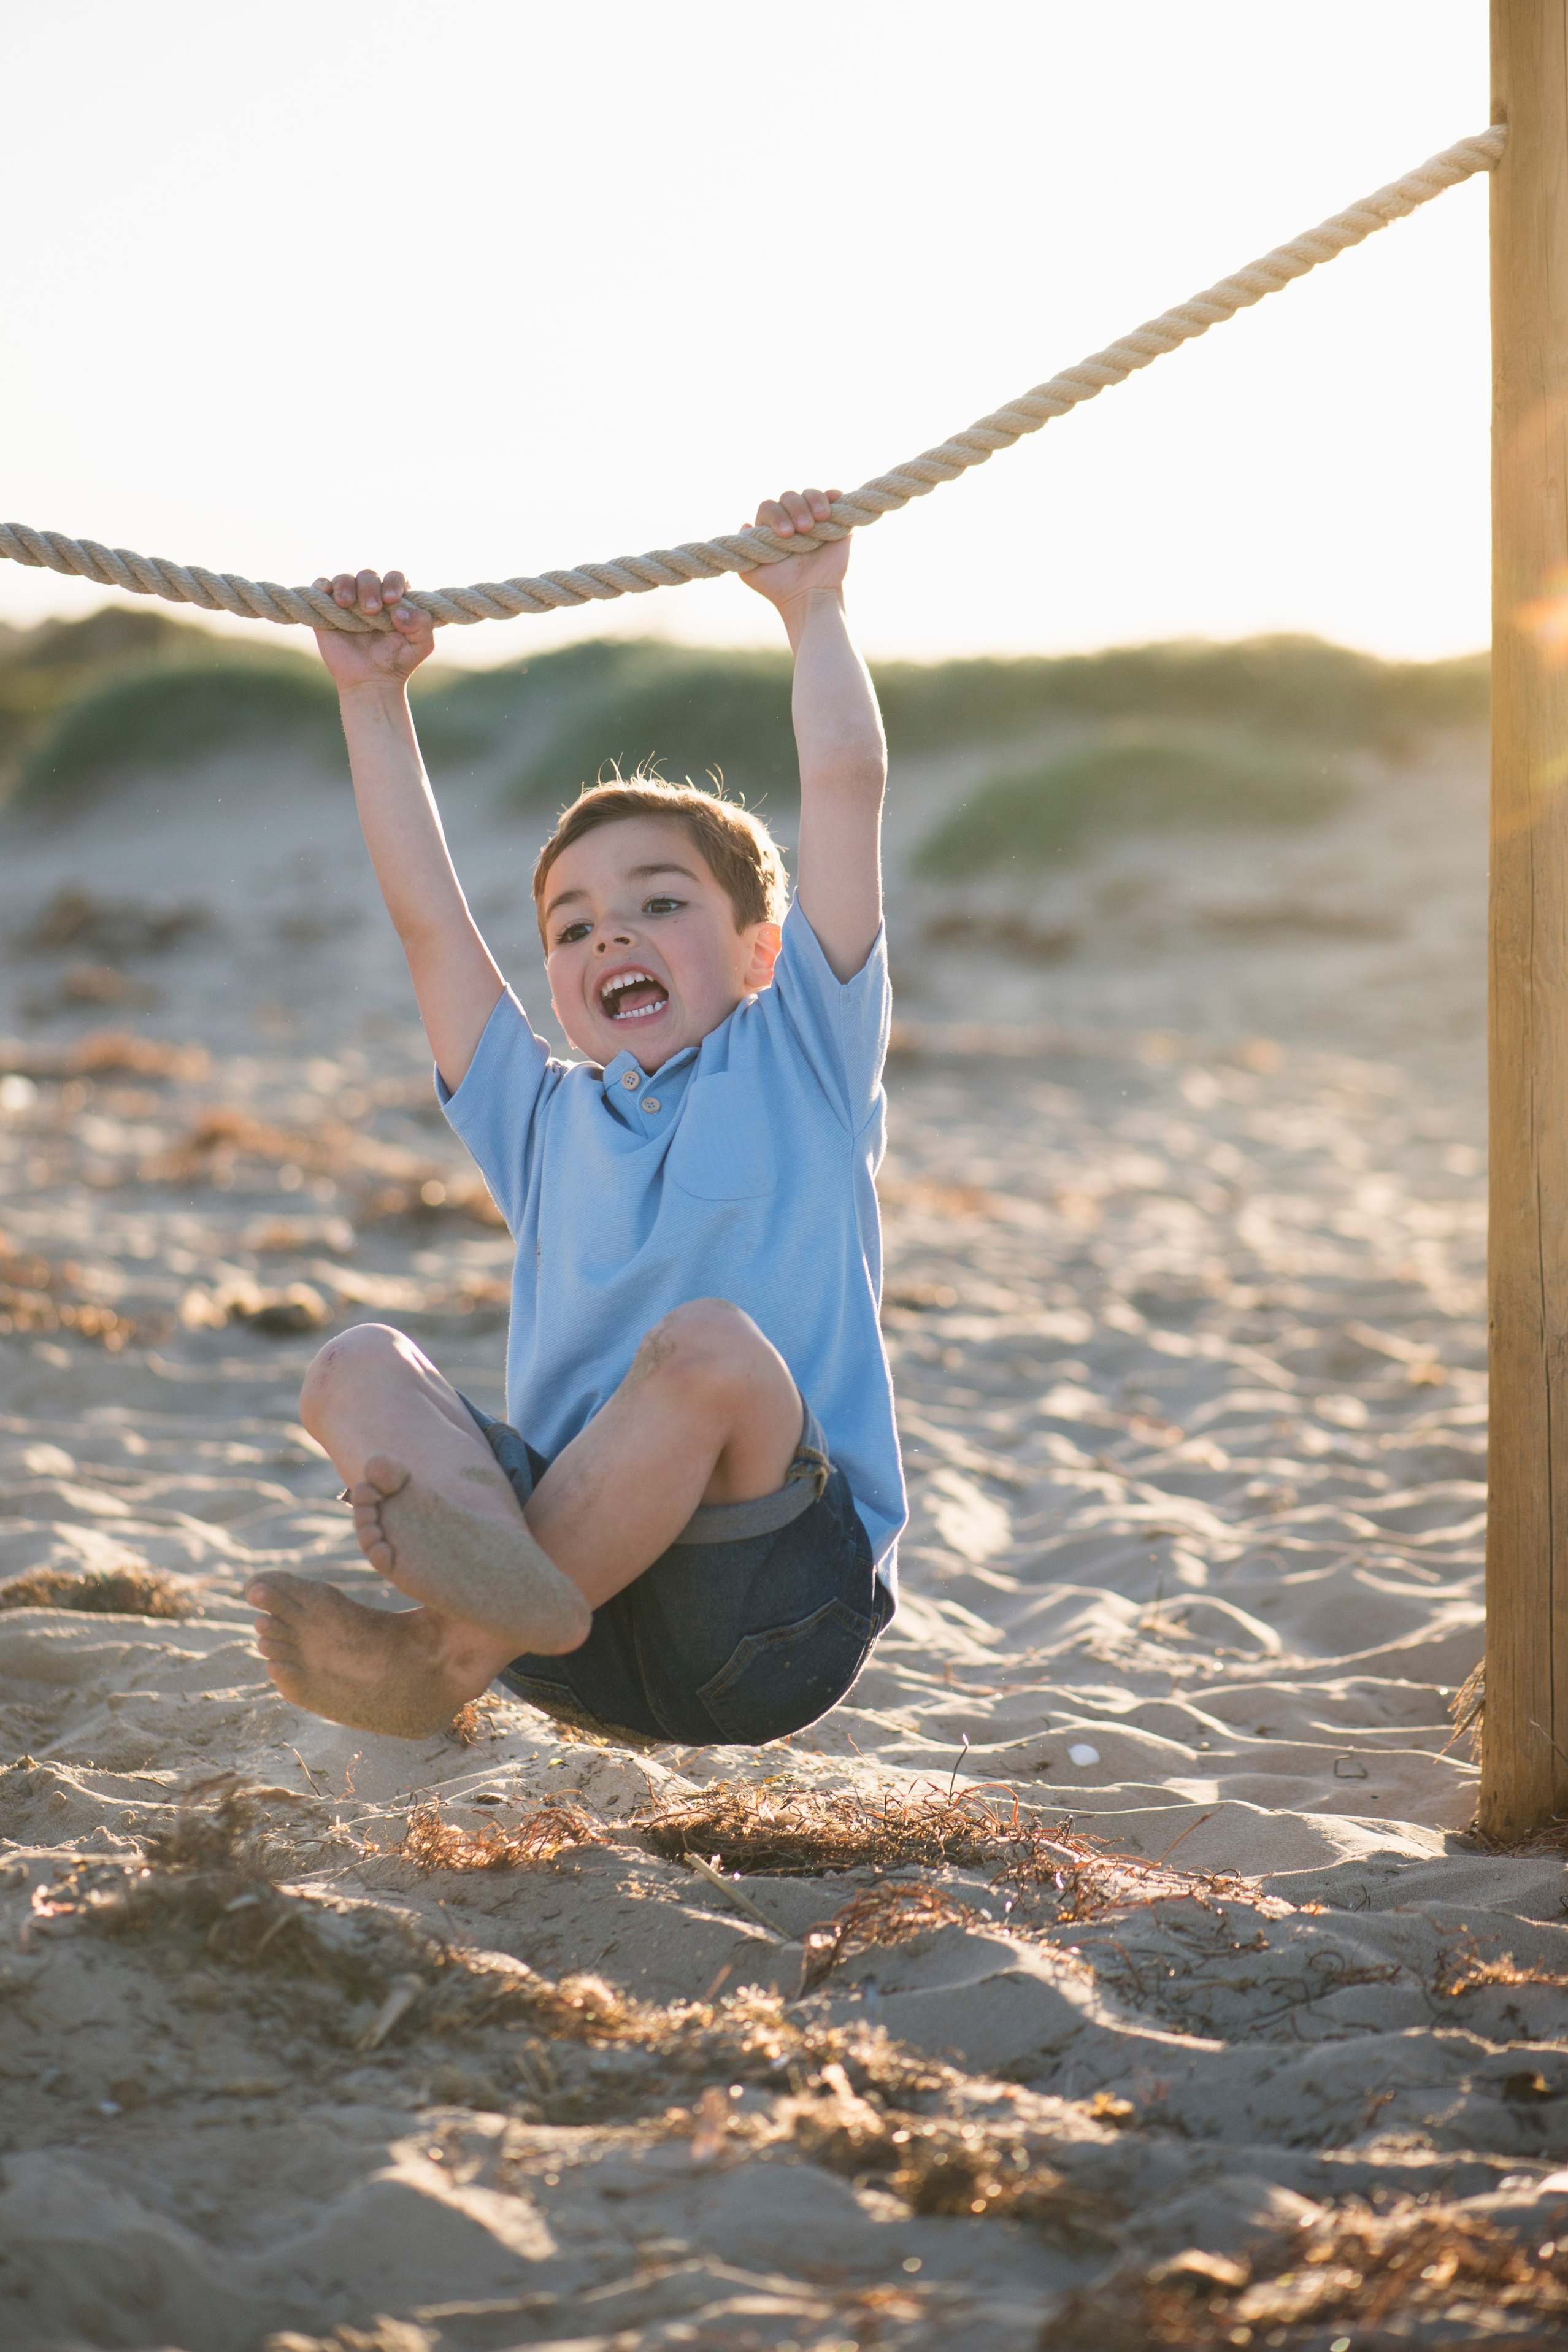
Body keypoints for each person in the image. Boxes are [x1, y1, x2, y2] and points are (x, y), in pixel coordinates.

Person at [245, 490, 904, 1745]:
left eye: (661, 903)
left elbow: (848, 784)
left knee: (707, 1346)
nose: (612, 932)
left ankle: (438, 1659)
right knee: (356, 1366)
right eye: (572, 924)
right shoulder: (539, 1121)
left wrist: (813, 608)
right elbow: (432, 919)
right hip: (580, 1639)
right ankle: (486, 1616)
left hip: (768, 1614)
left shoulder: (804, 1052)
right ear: (554, 979)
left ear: (760, 951)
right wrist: (372, 698)